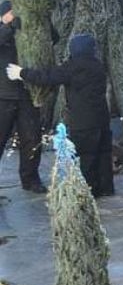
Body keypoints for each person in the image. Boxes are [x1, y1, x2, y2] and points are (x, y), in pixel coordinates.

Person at [7, 33, 110, 196]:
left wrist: (22, 73)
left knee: (86, 156)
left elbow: (47, 77)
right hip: (102, 119)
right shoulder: (98, 65)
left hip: (83, 121)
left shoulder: (72, 67)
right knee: (103, 154)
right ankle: (106, 188)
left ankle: (88, 192)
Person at [0, 0, 45, 193]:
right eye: (11, 13)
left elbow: (53, 39)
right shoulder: (4, 31)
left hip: (28, 95)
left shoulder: (27, 31)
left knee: (32, 139)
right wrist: (7, 27)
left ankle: (30, 179)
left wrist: (41, 21)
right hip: (3, 96)